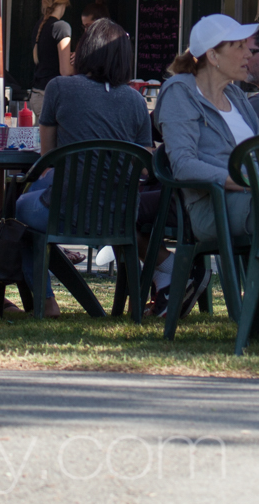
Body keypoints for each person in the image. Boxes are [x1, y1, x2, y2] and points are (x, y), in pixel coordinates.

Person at [15, 19, 154, 317]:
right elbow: (144, 168)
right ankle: (130, 304)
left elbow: (48, 155)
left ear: (84, 49)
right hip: (119, 215)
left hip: (65, 212)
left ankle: (46, 302)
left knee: (21, 210)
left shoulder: (59, 88)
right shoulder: (135, 100)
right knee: (39, 191)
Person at [151, 14, 259, 317]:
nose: (248, 53)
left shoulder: (237, 95)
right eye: (239, 46)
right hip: (214, 207)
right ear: (213, 56)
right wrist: (243, 182)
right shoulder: (180, 91)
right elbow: (184, 165)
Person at [30, 0, 74, 111]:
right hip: (52, 97)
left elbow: (49, 57)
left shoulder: (39, 26)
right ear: (65, 2)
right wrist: (82, 65)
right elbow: (65, 71)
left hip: (37, 94)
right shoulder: (61, 27)